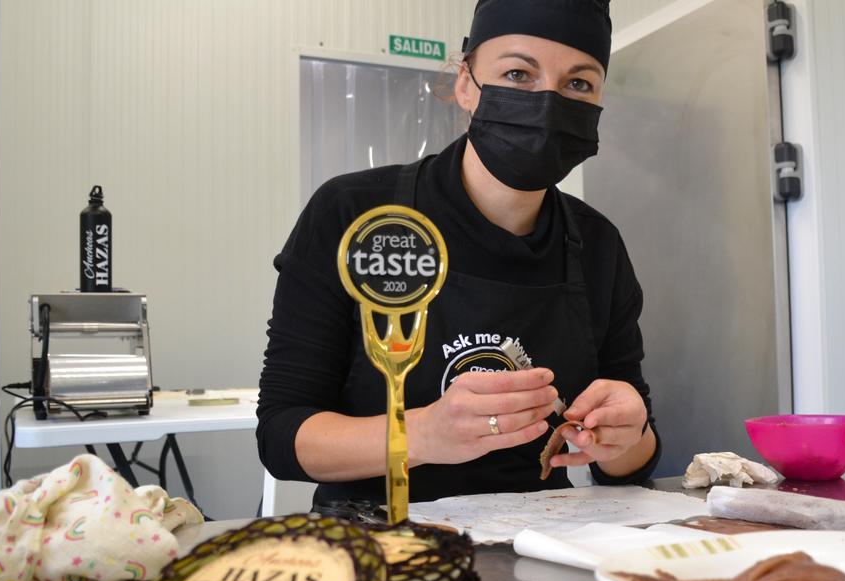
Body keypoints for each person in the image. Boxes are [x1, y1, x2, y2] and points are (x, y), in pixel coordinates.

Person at [257, 0, 660, 505]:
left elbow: (629, 464)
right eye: (517, 74)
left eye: (578, 84)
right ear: (466, 83)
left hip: (541, 543)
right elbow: (282, 435)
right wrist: (422, 434)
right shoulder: (355, 214)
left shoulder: (598, 244)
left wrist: (626, 433)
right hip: (377, 545)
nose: (548, 104)